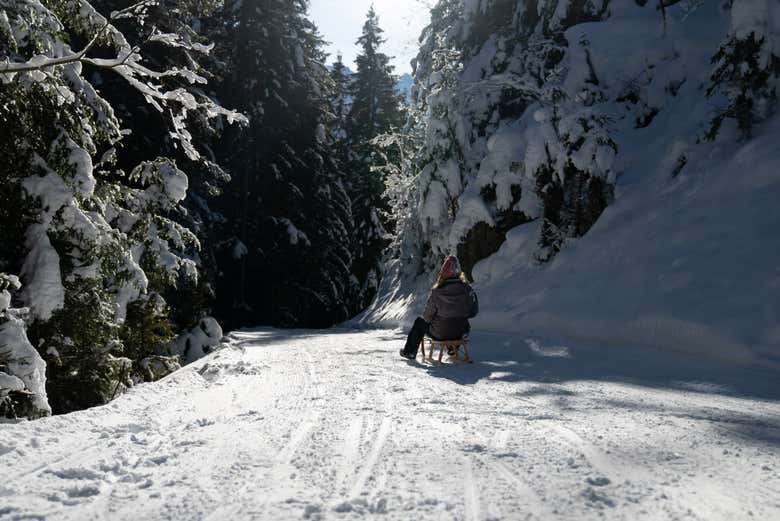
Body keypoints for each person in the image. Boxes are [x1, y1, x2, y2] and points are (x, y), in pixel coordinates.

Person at [399, 255, 479, 360]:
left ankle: (409, 352)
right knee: (460, 324)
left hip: (440, 333)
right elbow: (474, 312)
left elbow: (427, 317)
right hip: (461, 331)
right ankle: (452, 348)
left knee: (419, 322)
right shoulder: (468, 290)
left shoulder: (437, 292)